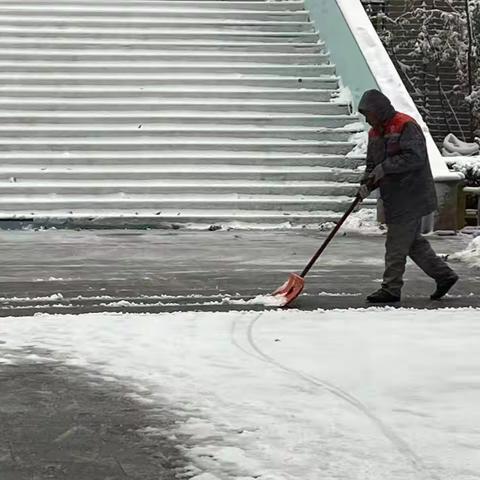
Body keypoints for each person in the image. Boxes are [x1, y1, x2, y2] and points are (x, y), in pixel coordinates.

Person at [357, 89, 458, 303]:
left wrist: (385, 168)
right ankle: (445, 275)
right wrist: (367, 182)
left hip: (412, 193)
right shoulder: (374, 133)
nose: (367, 120)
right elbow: (372, 164)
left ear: (378, 110)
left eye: (368, 114)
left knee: (396, 243)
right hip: (394, 196)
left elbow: (415, 157)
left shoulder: (405, 125)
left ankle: (391, 288)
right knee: (412, 244)